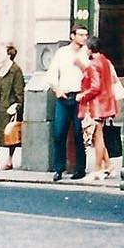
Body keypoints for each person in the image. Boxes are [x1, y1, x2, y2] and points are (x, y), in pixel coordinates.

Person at [46, 26, 90, 181]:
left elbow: (92, 74)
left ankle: (80, 169)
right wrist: (57, 89)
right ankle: (58, 168)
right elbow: (51, 74)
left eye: (86, 35)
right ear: (72, 36)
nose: (84, 38)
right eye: (81, 35)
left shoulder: (87, 53)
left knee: (79, 134)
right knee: (59, 133)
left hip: (80, 97)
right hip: (64, 97)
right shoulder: (62, 53)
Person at [77, 37, 120, 180]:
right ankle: (108, 165)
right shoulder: (105, 61)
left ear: (90, 49)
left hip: (96, 105)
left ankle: (97, 169)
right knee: (98, 136)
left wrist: (82, 96)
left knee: (98, 138)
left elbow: (95, 87)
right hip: (106, 102)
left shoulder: (93, 64)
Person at [0, 42, 25, 171]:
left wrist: (17, 106)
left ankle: (9, 160)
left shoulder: (15, 70)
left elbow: (19, 92)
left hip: (9, 107)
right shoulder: (0, 70)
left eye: (1, 52)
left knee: (9, 134)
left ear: (8, 54)